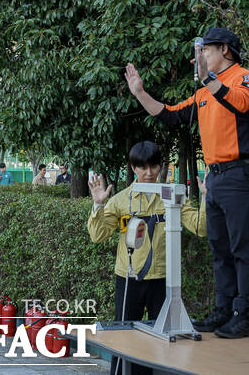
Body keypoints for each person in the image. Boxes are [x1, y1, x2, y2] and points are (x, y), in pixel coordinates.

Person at [124, 28, 249, 339]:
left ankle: (245, 315)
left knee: (243, 248)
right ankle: (223, 310)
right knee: (219, 248)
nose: (198, 58)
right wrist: (140, 93)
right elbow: (171, 115)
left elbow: (241, 104)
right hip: (215, 177)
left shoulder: (245, 78)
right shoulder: (204, 93)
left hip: (242, 174)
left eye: (205, 51)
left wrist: (207, 79)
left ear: (225, 50)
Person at [88, 141, 206, 375]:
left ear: (160, 166)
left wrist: (207, 200)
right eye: (142, 167)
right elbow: (98, 235)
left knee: (160, 342)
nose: (149, 173)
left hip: (163, 279)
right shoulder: (122, 199)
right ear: (133, 168)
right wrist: (97, 205)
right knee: (124, 339)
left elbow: (200, 227)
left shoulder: (172, 196)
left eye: (153, 166)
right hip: (129, 278)